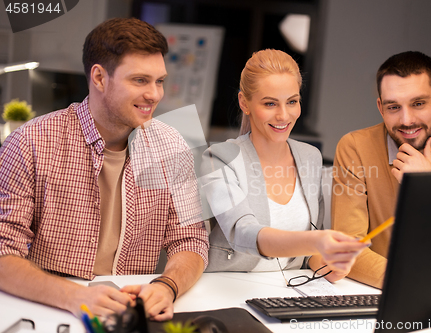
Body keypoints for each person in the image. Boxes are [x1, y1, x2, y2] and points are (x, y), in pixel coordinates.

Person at [0, 18, 209, 321]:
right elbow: (4, 251)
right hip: (50, 308)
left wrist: (167, 286)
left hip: (133, 313)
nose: (155, 94)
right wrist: (75, 296)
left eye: (159, 80)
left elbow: (190, 239)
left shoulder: (173, 145)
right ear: (99, 77)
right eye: (140, 80)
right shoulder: (30, 142)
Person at [332, 51, 431, 289]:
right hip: (374, 293)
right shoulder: (355, 148)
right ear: (380, 107)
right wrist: (411, 282)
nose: (407, 120)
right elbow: (347, 250)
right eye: (393, 107)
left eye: (418, 104)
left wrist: (429, 189)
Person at [200, 49, 367, 282]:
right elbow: (243, 232)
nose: (283, 115)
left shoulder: (310, 157)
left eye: (292, 102)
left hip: (287, 292)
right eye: (270, 103)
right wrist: (316, 241)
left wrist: (330, 266)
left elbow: (309, 256)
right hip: (228, 289)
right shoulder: (219, 158)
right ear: (244, 103)